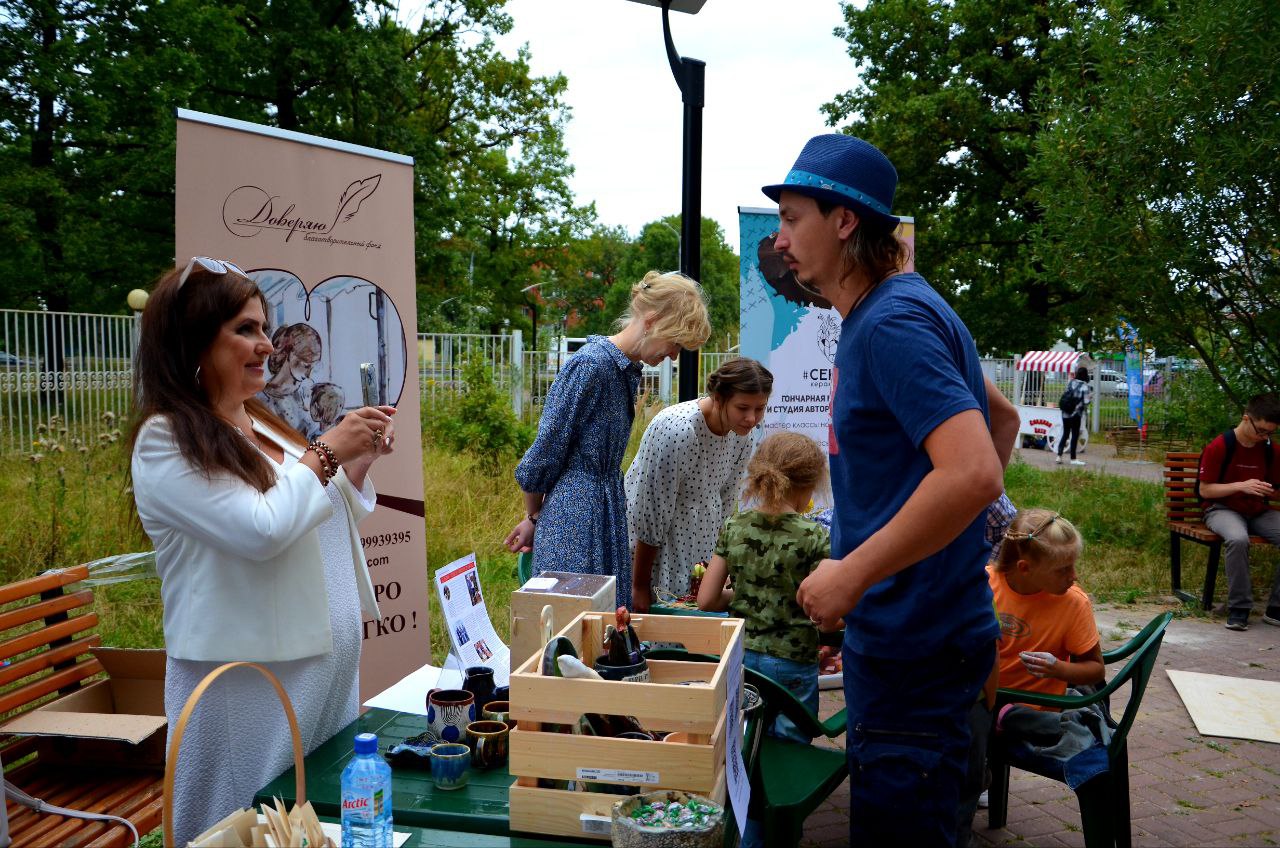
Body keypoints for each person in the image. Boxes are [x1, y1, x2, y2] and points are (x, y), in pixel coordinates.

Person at [774, 134, 1005, 847]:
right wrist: (946, 552)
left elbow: (973, 472)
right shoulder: (898, 307)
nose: (781, 240)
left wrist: (856, 574)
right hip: (916, 632)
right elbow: (998, 416)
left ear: (845, 221)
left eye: (792, 218)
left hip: (917, 653)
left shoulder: (891, 324)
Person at [128, 256, 396, 846]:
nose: (266, 345)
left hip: (320, 677)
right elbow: (262, 530)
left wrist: (355, 463)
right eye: (245, 329)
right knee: (241, 825)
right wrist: (325, 452)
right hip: (246, 688)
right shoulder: (167, 440)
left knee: (311, 824)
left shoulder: (263, 422)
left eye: (265, 329)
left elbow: (319, 513)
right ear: (193, 339)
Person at [504, 270, 711, 609]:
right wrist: (534, 519)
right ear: (652, 320)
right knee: (570, 625)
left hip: (604, 508)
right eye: (675, 343)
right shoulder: (592, 366)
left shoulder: (624, 370)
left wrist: (535, 518)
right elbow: (544, 452)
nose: (674, 355)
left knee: (603, 626)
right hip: (575, 519)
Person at [697, 431, 830, 740]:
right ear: (809, 484)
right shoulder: (814, 536)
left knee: (742, 739)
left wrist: (741, 595)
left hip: (742, 657)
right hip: (792, 662)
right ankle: (788, 789)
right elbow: (825, 612)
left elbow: (706, 600)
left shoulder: (735, 526)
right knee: (790, 744)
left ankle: (747, 789)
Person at [626, 357, 773, 611]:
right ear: (718, 398)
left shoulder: (742, 437)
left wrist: (720, 566)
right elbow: (651, 513)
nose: (752, 418)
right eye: (743, 407)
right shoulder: (678, 429)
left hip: (700, 540)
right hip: (653, 548)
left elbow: (726, 504)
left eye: (759, 408)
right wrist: (639, 586)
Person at [988, 509, 1109, 798]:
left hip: (1039, 706)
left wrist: (1059, 670)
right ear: (1025, 568)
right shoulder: (985, 585)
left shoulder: (1073, 603)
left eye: (1074, 565)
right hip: (986, 697)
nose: (1074, 575)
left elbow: (1095, 670)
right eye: (1063, 569)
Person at [1197, 391, 1280, 631]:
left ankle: (1275, 608)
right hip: (1221, 508)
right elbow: (1205, 491)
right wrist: (1242, 486)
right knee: (1237, 538)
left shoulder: (1269, 450)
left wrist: (1269, 492)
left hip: (1258, 510)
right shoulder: (1221, 446)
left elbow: (1276, 491)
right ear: (1246, 418)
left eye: (1270, 433)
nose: (1264, 437)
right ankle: (1239, 608)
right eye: (1261, 431)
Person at [261, 322, 324, 435]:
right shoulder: (258, 398)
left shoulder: (307, 395)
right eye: (306, 365)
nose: (309, 374)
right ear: (290, 354)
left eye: (313, 367)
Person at [1056, 366, 1092, 466]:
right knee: (1075, 435)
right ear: (1085, 375)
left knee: (1065, 434)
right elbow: (1086, 401)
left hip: (1065, 413)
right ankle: (1073, 458)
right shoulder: (1085, 386)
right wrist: (1090, 397)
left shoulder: (1071, 382)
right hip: (1076, 414)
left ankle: (1059, 456)